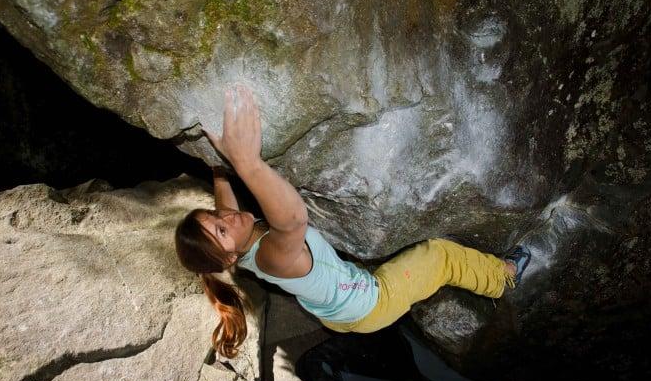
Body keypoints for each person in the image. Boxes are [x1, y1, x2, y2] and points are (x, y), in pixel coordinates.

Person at [175, 85, 531, 358]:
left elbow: (225, 209)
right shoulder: (270, 256)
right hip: (373, 304)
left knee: (336, 270)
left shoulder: (241, 245)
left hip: (334, 314)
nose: (228, 216)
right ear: (229, 259)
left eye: (215, 215)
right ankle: (502, 277)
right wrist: (249, 164)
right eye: (221, 229)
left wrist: (219, 169)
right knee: (439, 257)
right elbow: (294, 221)